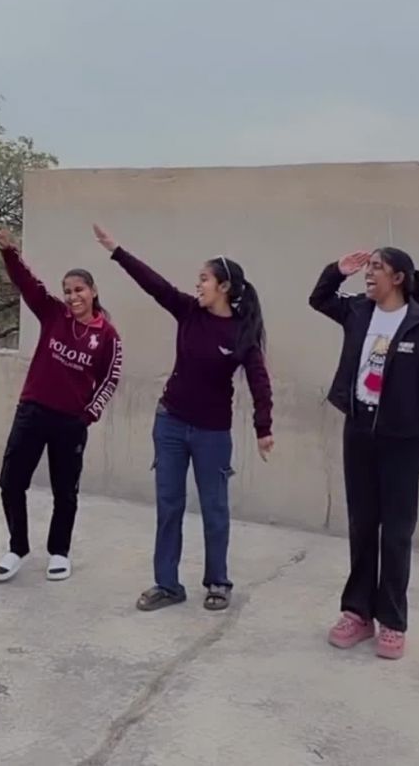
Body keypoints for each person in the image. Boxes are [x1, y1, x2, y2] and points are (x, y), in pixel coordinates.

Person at [93, 224, 274, 612]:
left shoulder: (241, 332)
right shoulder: (189, 311)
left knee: (215, 509)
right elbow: (154, 284)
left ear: (224, 286)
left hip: (212, 433)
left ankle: (218, 582)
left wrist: (264, 428)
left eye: (204, 279)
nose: (198, 285)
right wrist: (116, 250)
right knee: (169, 506)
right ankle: (167, 585)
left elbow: (260, 381)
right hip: (170, 423)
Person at [309, 247, 419, 660]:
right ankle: (358, 613)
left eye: (378, 268)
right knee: (362, 526)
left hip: (402, 441)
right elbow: (319, 299)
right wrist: (337, 270)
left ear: (399, 278)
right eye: (369, 267)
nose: (369, 274)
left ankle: (392, 620)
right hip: (359, 432)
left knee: (395, 532)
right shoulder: (358, 311)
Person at [0, 229, 123, 583]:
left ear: (93, 291)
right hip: (32, 412)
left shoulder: (107, 336)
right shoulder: (53, 314)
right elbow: (27, 283)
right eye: (68, 291)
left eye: (79, 290)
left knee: (65, 492)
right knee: (11, 482)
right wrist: (10, 252)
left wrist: (87, 415)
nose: (73, 296)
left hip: (70, 422)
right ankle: (17, 548)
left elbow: (110, 378)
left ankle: (59, 552)